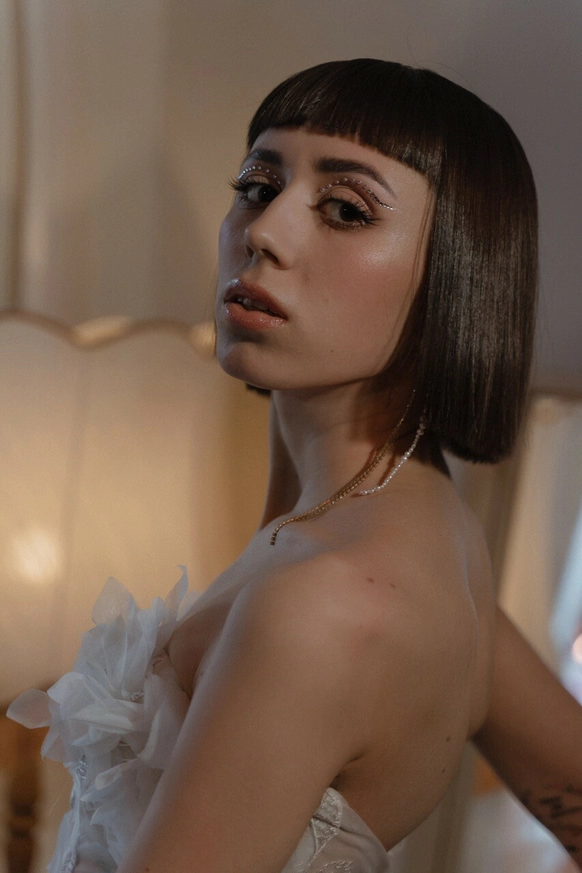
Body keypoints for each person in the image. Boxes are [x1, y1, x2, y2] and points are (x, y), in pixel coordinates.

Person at [7, 58, 581, 873]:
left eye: (345, 209)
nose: (265, 232)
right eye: (257, 186)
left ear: (456, 274)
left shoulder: (325, 602)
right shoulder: (419, 531)